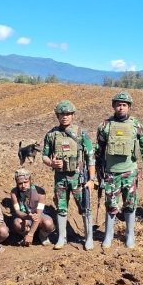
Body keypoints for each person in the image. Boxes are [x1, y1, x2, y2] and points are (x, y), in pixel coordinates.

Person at [95, 91, 143, 249]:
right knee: (111, 204)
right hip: (111, 172)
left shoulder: (136, 125)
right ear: (114, 106)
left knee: (130, 203)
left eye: (124, 105)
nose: (121, 107)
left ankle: (129, 235)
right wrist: (98, 171)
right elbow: (98, 151)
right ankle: (108, 235)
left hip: (130, 172)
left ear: (129, 107)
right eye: (118, 105)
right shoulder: (105, 126)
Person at [41, 100, 97, 250]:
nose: (64, 117)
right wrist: (51, 164)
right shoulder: (52, 135)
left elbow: (91, 157)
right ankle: (61, 237)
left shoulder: (81, 133)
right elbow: (44, 156)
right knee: (61, 208)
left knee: (85, 208)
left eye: (67, 114)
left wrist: (92, 179)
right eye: (61, 114)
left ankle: (89, 238)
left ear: (73, 115)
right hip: (60, 179)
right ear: (57, 116)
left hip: (79, 179)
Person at [9, 168, 55, 246]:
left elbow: (39, 214)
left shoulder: (40, 192)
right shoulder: (14, 193)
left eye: (25, 182)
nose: (23, 186)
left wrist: (31, 234)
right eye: (20, 183)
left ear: (30, 180)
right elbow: (17, 211)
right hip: (24, 216)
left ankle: (42, 235)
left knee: (49, 223)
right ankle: (25, 235)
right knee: (17, 223)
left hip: (39, 215)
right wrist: (27, 216)